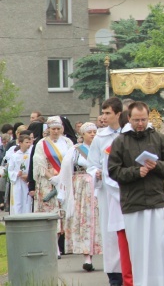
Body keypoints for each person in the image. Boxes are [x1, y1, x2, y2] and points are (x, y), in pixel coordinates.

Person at [108, 101, 164, 286]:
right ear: (129, 118)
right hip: (134, 204)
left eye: (143, 119)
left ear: (148, 118)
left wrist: (156, 166)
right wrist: (135, 172)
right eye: (136, 120)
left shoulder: (158, 138)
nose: (140, 123)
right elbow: (114, 171)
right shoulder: (120, 141)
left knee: (162, 248)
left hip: (157, 202)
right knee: (140, 252)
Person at [87, 97, 127, 286]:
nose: (103, 117)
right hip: (108, 193)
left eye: (107, 113)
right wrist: (97, 172)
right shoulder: (100, 138)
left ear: (118, 114)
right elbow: (91, 163)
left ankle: (130, 272)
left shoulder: (127, 134)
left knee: (128, 232)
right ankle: (114, 275)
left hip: (127, 190)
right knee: (111, 234)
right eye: (102, 113)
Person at [55, 122, 102, 272]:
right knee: (84, 220)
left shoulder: (102, 149)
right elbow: (65, 170)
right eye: (90, 132)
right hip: (81, 188)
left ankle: (103, 255)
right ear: (83, 135)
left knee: (98, 220)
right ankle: (86, 256)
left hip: (98, 187)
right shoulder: (75, 150)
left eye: (95, 132)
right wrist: (64, 191)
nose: (93, 134)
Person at [32, 116, 73, 257]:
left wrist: (63, 176)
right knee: (51, 213)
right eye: (53, 129)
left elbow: (71, 160)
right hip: (48, 183)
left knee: (63, 212)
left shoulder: (67, 142)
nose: (56, 131)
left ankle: (64, 244)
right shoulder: (42, 144)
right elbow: (39, 164)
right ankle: (53, 246)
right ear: (48, 129)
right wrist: (52, 177)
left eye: (58, 128)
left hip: (64, 180)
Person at [7, 131, 33, 214]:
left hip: (27, 181)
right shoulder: (14, 156)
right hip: (18, 181)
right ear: (20, 143)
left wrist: (29, 176)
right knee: (18, 201)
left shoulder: (31, 154)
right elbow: (10, 169)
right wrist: (16, 174)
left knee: (27, 201)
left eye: (29, 142)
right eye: (26, 142)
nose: (28, 144)